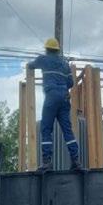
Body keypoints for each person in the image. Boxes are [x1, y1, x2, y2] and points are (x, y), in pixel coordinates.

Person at [28, 37, 81, 171]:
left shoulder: (43, 59)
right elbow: (71, 83)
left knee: (46, 129)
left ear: (47, 49)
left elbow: (31, 65)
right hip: (64, 97)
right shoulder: (65, 64)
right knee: (67, 130)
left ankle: (47, 162)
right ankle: (76, 160)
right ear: (57, 50)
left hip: (51, 96)